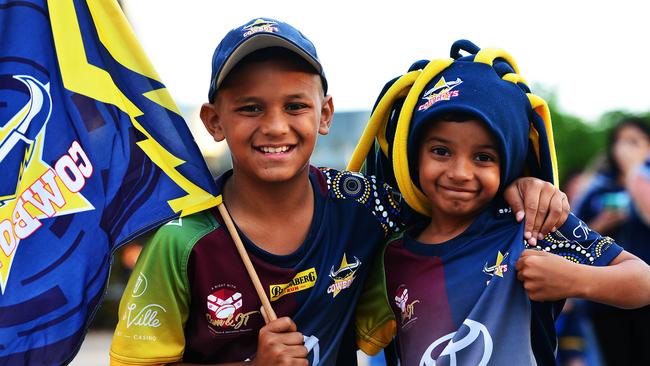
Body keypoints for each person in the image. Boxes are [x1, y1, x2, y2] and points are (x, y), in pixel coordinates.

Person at [109, 21, 569, 365]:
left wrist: (520, 184)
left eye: (295, 106)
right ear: (213, 121)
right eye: (250, 108)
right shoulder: (182, 239)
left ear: (324, 114)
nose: (274, 126)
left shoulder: (363, 206)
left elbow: (452, 191)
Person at [354, 41, 650, 366]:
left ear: (508, 162)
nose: (460, 172)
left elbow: (642, 280)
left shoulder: (531, 226)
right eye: (441, 151)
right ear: (412, 154)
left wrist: (574, 279)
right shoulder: (388, 251)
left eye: (483, 157)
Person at [573, 117, 650, 365]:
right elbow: (574, 236)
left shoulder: (644, 184)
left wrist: (633, 174)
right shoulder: (598, 187)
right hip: (605, 297)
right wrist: (603, 224)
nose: (625, 148)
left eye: (634, 142)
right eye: (620, 142)